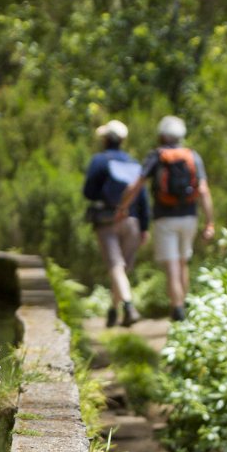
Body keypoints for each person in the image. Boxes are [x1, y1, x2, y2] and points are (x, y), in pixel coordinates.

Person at [117, 114, 214, 321]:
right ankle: (184, 304)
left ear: (162, 136)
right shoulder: (193, 156)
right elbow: (204, 190)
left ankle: (177, 308)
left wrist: (123, 207)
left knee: (171, 267)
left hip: (165, 218)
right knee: (183, 263)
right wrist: (209, 222)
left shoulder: (157, 156)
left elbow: (137, 185)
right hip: (190, 217)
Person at [83, 119, 149, 327]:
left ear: (104, 139)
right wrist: (145, 227)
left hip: (107, 219)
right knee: (122, 268)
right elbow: (143, 197)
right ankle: (113, 310)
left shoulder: (99, 161)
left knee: (115, 266)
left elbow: (88, 192)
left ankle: (128, 306)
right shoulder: (133, 163)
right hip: (133, 220)